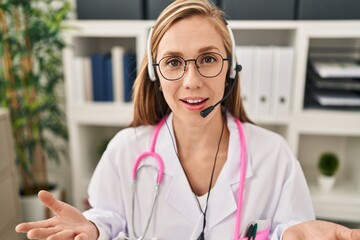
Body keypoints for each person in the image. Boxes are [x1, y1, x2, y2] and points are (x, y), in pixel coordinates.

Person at [15, 0, 360, 239]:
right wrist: (92, 227)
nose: (192, 81)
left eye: (208, 59)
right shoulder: (125, 150)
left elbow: (293, 228)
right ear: (155, 72)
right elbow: (111, 218)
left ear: (230, 68)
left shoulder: (275, 156)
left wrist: (289, 233)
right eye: (174, 62)